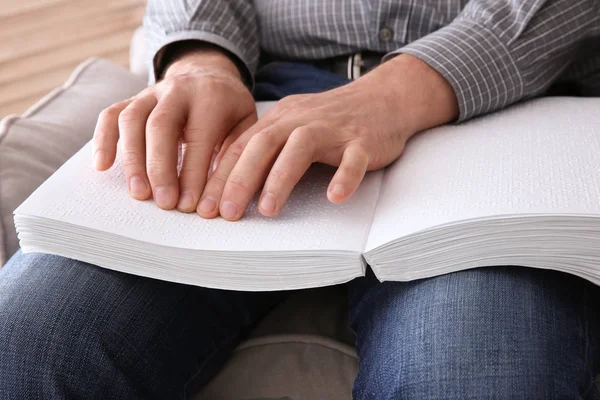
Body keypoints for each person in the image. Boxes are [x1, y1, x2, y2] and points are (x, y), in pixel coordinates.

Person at [1, 0, 600, 398]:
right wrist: (200, 62)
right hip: (262, 91)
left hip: (508, 108)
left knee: (475, 378)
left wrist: (399, 92)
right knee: (23, 351)